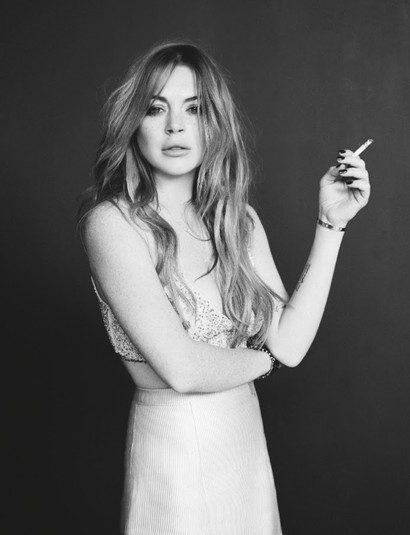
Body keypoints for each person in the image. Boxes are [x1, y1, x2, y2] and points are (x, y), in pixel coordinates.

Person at [78, 41, 370, 535]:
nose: (175, 126)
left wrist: (331, 224)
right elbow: (183, 369)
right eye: (156, 108)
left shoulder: (238, 221)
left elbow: (290, 343)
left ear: (214, 122)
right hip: (173, 451)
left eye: (193, 109)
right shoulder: (112, 224)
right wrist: (266, 361)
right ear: (133, 121)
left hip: (243, 444)